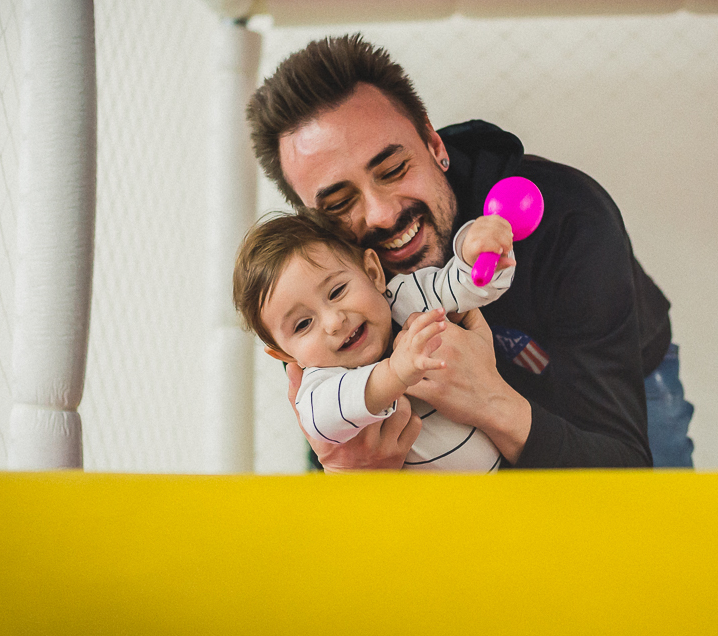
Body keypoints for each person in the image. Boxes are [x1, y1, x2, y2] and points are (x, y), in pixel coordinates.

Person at [246, 34, 695, 470]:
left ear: (433, 143)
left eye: (393, 169)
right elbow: (344, 454)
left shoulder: (568, 218)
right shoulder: (317, 299)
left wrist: (490, 401)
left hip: (601, 385)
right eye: (340, 203)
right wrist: (355, 475)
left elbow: (623, 470)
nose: (381, 214)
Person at [233, 211, 517, 471]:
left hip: (505, 487)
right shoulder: (321, 386)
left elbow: (467, 286)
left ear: (373, 273)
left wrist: (477, 253)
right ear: (286, 356)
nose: (334, 322)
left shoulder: (410, 297)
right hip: (423, 509)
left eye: (337, 291)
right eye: (303, 324)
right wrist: (394, 373)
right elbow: (323, 422)